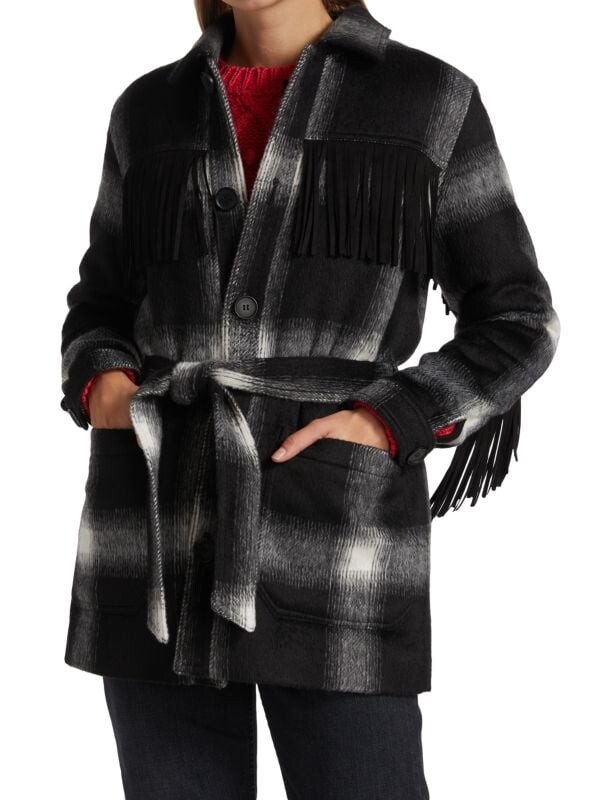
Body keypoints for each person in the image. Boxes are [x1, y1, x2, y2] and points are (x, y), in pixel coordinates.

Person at [59, 1, 560, 797]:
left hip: (337, 542)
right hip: (157, 535)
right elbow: (101, 302)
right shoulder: (146, 110)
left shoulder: (430, 100)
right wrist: (106, 390)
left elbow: (518, 318)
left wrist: (388, 419)